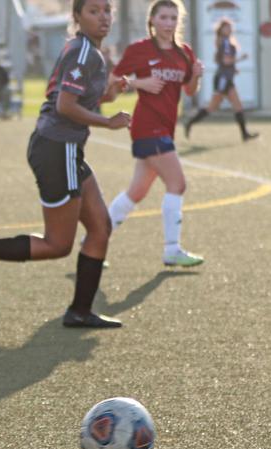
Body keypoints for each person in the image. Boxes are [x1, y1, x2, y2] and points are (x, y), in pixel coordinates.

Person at [0, 0, 130, 329]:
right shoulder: (82, 52)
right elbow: (66, 105)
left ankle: (80, 311)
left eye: (107, 11)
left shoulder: (89, 52)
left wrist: (110, 91)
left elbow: (80, 97)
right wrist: (107, 121)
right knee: (57, 244)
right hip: (58, 150)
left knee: (100, 227)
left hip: (64, 150)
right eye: (93, 11)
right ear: (77, 16)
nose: (103, 17)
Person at [107, 0, 205, 267]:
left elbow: (190, 91)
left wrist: (196, 76)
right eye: (163, 17)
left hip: (165, 128)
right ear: (152, 20)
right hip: (147, 127)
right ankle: (171, 249)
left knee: (136, 192)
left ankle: (94, 241)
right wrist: (140, 83)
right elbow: (114, 80)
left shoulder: (184, 53)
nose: (169, 23)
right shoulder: (140, 50)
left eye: (174, 18)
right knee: (178, 184)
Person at [183, 17, 258, 142]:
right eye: (226, 27)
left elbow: (221, 61)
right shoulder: (225, 42)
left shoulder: (225, 41)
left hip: (227, 78)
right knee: (212, 107)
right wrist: (241, 59)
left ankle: (245, 134)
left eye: (229, 27)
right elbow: (226, 61)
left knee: (238, 106)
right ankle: (189, 122)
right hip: (222, 79)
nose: (228, 29)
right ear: (221, 29)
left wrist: (233, 69)